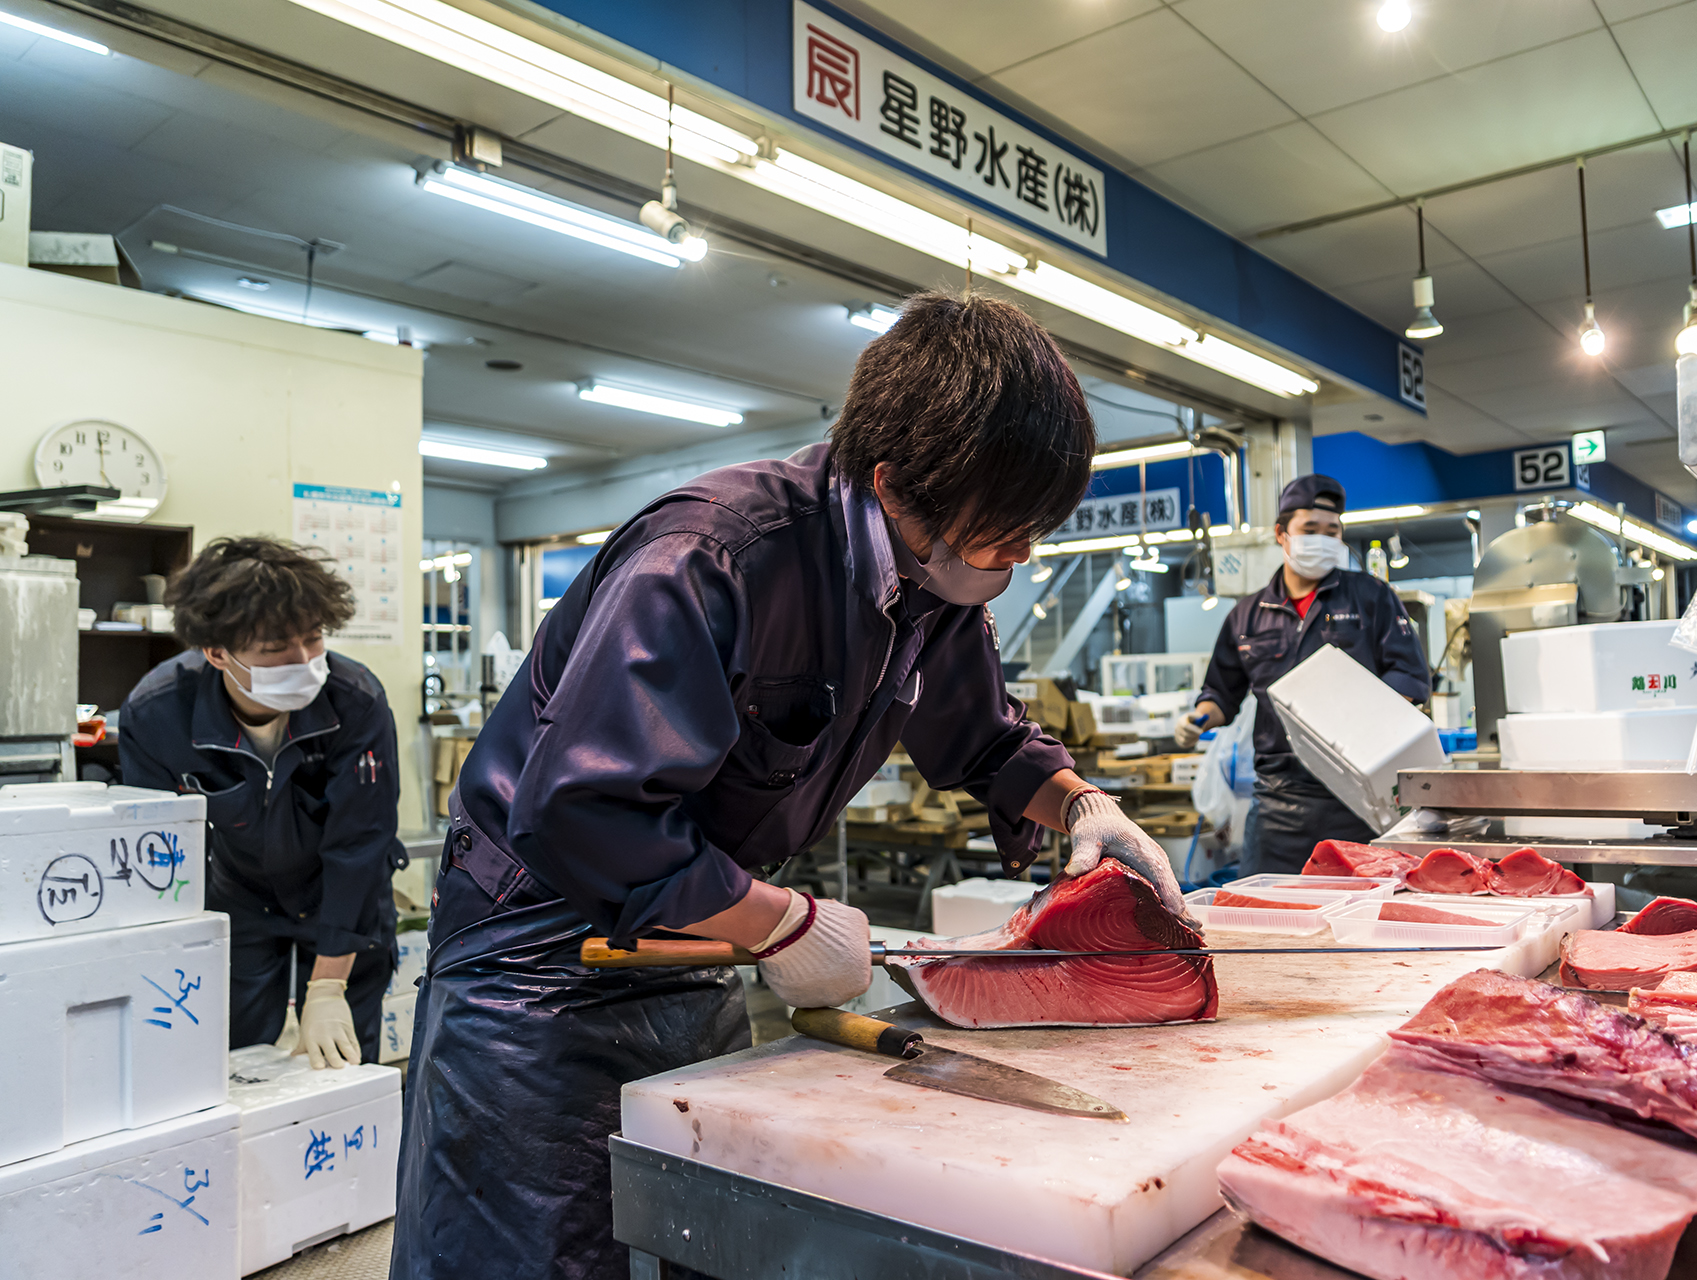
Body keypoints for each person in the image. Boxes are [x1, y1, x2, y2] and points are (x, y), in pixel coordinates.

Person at [392, 293, 1196, 1280]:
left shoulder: (937, 571)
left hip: (695, 931)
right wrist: (780, 922)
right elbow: (583, 808)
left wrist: (1081, 803)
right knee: (538, 1253)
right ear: (893, 484)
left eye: (1033, 529)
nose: (1019, 557)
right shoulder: (710, 556)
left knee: (699, 1232)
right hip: (535, 960)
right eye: (1003, 531)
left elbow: (985, 737)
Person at [120, 537, 404, 1069]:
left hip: (342, 901)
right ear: (216, 652)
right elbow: (157, 853)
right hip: (241, 902)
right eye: (276, 648)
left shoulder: (355, 700)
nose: (304, 660)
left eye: (313, 638)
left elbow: (361, 845)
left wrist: (328, 987)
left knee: (342, 1067)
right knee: (235, 1061)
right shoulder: (158, 714)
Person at [1174, 475, 1428, 874]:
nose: (1322, 540)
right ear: (1282, 534)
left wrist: (1364, 718)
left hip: (1359, 798)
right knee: (1264, 908)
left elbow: (1410, 678)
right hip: (1277, 803)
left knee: (1363, 907)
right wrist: (1197, 719)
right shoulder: (1247, 615)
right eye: (1310, 530)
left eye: (1332, 531)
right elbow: (1222, 693)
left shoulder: (1373, 598)